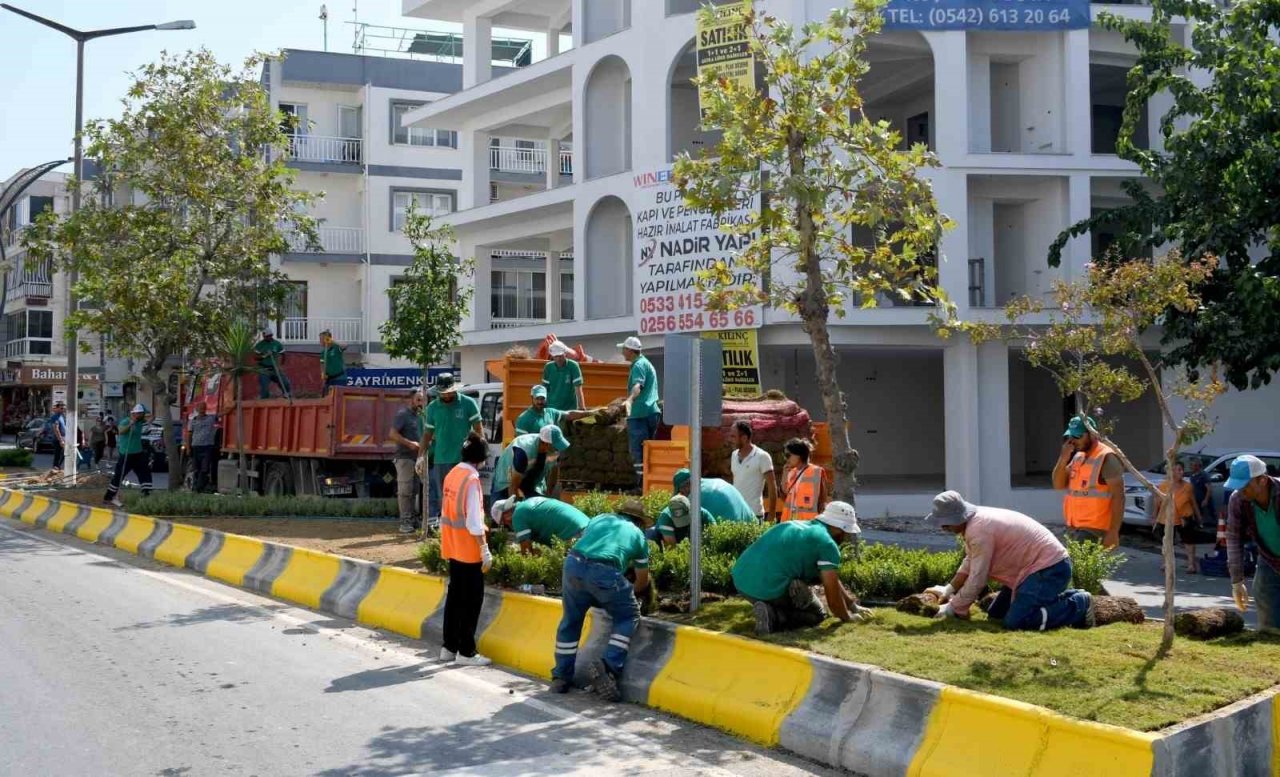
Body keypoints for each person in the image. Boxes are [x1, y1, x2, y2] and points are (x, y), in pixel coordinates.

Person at [925, 491, 1095, 630]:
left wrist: (954, 608)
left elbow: (978, 577)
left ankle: (1079, 604)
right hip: (1033, 571)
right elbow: (971, 560)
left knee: (1017, 622)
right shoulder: (975, 521)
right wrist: (949, 589)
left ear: (957, 517)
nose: (943, 528)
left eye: (946, 523)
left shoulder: (979, 530)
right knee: (996, 615)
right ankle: (1072, 595)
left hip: (1049, 570)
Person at [549, 498, 652, 699]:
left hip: (573, 564)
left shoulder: (600, 519)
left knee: (571, 620)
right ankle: (608, 666)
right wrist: (630, 593)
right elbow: (642, 580)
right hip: (604, 573)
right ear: (639, 521)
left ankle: (561, 677)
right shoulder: (638, 535)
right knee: (628, 615)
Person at [731, 501, 872, 635]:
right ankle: (774, 616)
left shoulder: (798, 526)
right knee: (818, 615)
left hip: (742, 582)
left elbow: (831, 579)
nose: (847, 537)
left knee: (804, 579)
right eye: (847, 533)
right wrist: (847, 617)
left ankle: (769, 607)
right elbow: (834, 602)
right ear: (840, 528)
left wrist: (852, 606)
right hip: (769, 587)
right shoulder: (827, 544)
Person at [438, 434, 494, 666]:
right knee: (472, 601)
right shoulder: (471, 479)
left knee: (454, 598)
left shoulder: (452, 473)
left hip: (452, 546)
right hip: (469, 550)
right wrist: (484, 548)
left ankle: (448, 647)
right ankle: (466, 652)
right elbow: (473, 520)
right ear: (480, 458)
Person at [1052, 416, 1124, 548]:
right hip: (1074, 528)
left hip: (1095, 531)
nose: (1073, 441)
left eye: (1078, 436)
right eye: (1070, 436)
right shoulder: (1078, 457)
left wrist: (1113, 532)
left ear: (1092, 434)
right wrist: (1063, 460)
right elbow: (1058, 485)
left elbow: (1119, 497)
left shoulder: (1106, 457)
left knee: (1077, 567)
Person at [1225, 455, 1280, 630]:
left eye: (1245, 486)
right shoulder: (1238, 499)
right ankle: (1270, 637)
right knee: (1263, 593)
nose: (1240, 490)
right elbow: (1234, 538)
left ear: (1262, 480)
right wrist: (1237, 581)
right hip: (1269, 557)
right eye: (1237, 486)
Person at [419, 374, 483, 523]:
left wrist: (481, 454)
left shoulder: (468, 403)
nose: (446, 395)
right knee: (445, 496)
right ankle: (447, 527)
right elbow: (427, 435)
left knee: (465, 494)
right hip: (441, 460)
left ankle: (467, 525)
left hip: (465, 460)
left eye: (449, 391)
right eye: (443, 392)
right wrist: (420, 457)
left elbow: (479, 430)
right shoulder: (432, 408)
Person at [491, 425, 571, 501]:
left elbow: (554, 469)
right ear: (545, 444)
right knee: (502, 508)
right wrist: (517, 509)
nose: (558, 449)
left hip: (532, 475)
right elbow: (513, 487)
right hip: (507, 476)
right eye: (556, 446)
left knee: (537, 505)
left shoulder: (554, 450)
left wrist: (548, 495)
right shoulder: (523, 451)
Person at [491, 496, 590, 553]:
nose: (508, 525)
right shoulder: (527, 504)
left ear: (505, 514)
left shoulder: (518, 515)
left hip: (575, 534)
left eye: (503, 522)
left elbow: (527, 552)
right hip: (589, 527)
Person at [1153, 462, 1204, 574]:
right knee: (1167, 542)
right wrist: (1154, 518)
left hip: (1185, 517)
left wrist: (1199, 517)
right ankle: (1166, 563)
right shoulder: (1164, 486)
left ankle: (1191, 564)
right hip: (1166, 518)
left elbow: (1193, 502)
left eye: (1181, 469)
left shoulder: (1188, 486)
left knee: (1189, 541)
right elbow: (1157, 503)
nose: (1181, 472)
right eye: (1178, 470)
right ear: (1171, 472)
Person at [619, 336, 660, 472]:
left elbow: (638, 385)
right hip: (651, 411)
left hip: (640, 414)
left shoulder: (638, 365)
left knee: (638, 451)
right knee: (649, 451)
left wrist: (630, 400)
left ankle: (640, 483)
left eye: (624, 349)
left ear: (630, 350)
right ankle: (648, 481)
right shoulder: (646, 363)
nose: (622, 352)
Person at [388, 389, 426, 534]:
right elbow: (392, 434)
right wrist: (409, 443)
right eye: (418, 399)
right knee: (405, 491)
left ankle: (412, 520)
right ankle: (405, 522)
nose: (421, 403)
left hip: (417, 458)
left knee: (414, 490)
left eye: (423, 400)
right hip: (404, 458)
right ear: (411, 400)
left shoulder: (422, 417)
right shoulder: (403, 415)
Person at [104, 404, 153, 507]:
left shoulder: (140, 421)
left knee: (145, 473)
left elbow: (151, 415)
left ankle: (147, 494)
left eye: (142, 414)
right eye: (139, 414)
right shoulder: (125, 421)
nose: (141, 415)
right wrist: (130, 424)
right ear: (134, 414)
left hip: (138, 453)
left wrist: (145, 416)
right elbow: (120, 431)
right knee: (119, 475)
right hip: (127, 453)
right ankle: (110, 497)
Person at [730, 421, 779, 522]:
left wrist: (771, 515)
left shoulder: (762, 456)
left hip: (754, 515)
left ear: (744, 438)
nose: (730, 440)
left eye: (733, 436)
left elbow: (772, 487)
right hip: (736, 514)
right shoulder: (734, 455)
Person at [672, 467, 755, 523]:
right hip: (753, 524)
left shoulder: (695, 498)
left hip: (736, 535)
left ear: (685, 487)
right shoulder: (715, 481)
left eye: (681, 492)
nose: (683, 496)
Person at [779, 438, 827, 522]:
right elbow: (784, 497)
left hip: (809, 524)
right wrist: (784, 476)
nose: (786, 459)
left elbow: (822, 501)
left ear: (799, 455)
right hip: (791, 522)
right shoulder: (791, 472)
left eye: (788, 455)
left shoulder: (817, 472)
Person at [514, 385, 589, 436]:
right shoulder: (523, 419)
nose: (540, 402)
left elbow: (569, 414)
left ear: (546, 398)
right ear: (532, 398)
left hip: (551, 456)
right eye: (537, 398)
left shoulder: (550, 413)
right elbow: (521, 445)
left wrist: (588, 413)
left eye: (542, 399)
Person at [182, 404, 219, 494]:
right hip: (196, 447)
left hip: (207, 447)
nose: (202, 409)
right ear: (197, 409)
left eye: (204, 408)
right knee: (196, 469)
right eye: (200, 408)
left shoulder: (211, 418)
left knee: (205, 468)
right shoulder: (193, 421)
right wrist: (188, 448)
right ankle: (197, 487)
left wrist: (233, 406)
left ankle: (198, 487)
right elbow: (189, 435)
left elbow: (223, 413)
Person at [542, 340, 585, 412]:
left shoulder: (573, 366)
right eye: (556, 356)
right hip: (551, 409)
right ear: (552, 356)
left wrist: (581, 408)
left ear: (565, 354)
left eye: (560, 356)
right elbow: (544, 389)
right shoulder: (548, 367)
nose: (558, 359)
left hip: (569, 409)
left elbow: (578, 389)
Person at [254, 329, 291, 399]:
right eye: (264, 336)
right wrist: (264, 356)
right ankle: (264, 400)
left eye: (267, 336)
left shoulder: (277, 344)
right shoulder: (260, 344)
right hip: (264, 369)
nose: (265, 338)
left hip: (275, 368)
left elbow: (283, 354)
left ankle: (287, 395)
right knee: (264, 387)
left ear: (271, 336)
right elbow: (255, 357)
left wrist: (281, 365)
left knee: (285, 382)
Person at [1188, 457, 1215, 525]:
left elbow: (1209, 488)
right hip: (1196, 501)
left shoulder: (1203, 475)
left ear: (1198, 466)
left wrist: (1206, 500)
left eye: (1192, 465)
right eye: (1190, 465)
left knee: (1207, 517)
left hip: (1203, 500)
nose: (1190, 467)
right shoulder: (1192, 475)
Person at [319, 329, 347, 395]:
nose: (320, 341)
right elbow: (322, 363)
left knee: (339, 397)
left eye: (321, 339)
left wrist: (332, 341)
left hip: (340, 378)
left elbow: (345, 345)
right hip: (329, 380)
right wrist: (323, 373)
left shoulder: (336, 348)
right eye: (320, 339)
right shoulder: (323, 353)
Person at [49, 400, 67, 470]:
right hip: (58, 439)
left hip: (63, 438)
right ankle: (55, 468)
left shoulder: (61, 416)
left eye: (63, 408)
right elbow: (56, 429)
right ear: (57, 408)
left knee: (64, 454)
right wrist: (61, 440)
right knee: (58, 455)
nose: (63, 409)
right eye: (61, 408)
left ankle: (57, 467)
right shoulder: (55, 417)